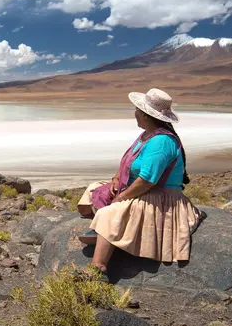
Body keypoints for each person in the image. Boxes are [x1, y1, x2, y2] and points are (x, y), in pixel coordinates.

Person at [77, 88, 204, 278]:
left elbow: (147, 180)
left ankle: (98, 267)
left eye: (137, 110)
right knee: (93, 189)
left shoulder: (161, 142)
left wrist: (121, 197)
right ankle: (109, 230)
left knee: (110, 212)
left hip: (159, 195)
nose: (134, 113)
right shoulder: (147, 135)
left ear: (144, 115)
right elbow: (129, 164)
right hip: (139, 186)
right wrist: (116, 179)